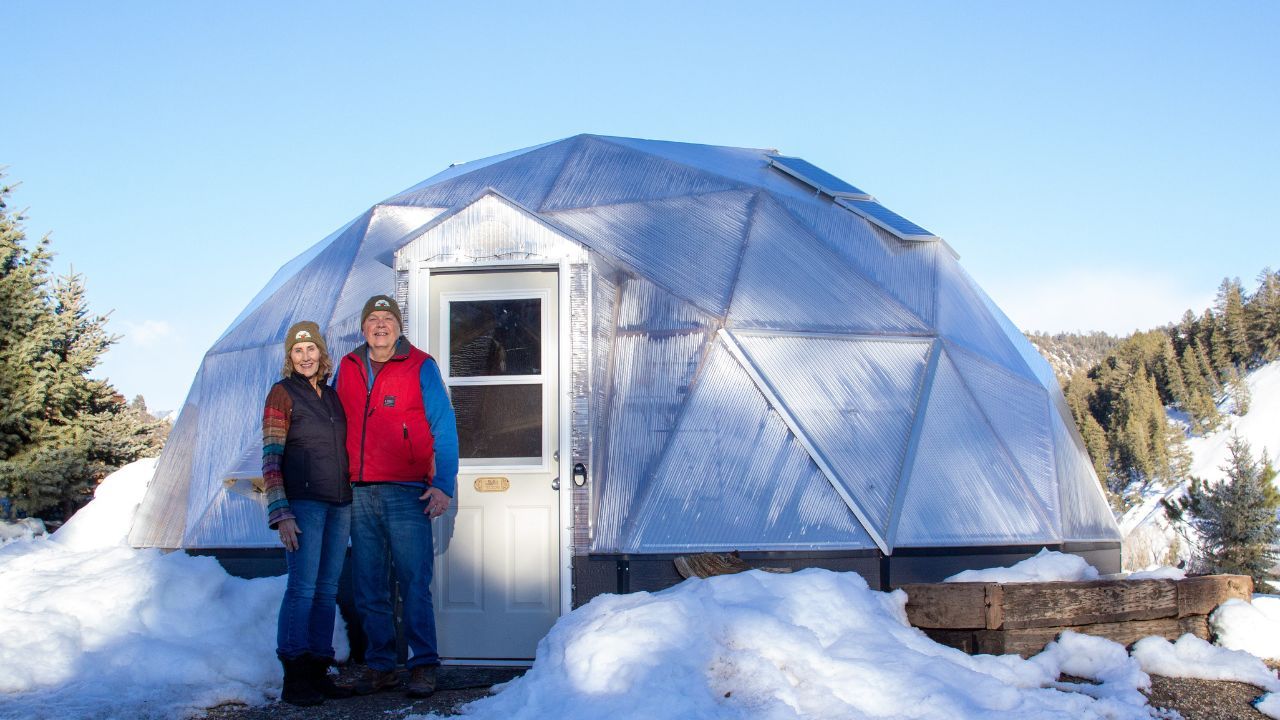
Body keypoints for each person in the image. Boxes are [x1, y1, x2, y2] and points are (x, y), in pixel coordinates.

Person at [334, 295, 459, 698]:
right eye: (373, 319)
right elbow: (332, 426)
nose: (380, 325)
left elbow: (444, 426)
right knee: (369, 586)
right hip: (358, 492)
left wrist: (443, 484)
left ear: (399, 326)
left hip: (407, 492)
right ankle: (381, 667)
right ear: (363, 328)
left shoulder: (420, 365)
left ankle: (423, 665)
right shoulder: (348, 367)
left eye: (387, 318)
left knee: (413, 582)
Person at [262, 320, 354, 706]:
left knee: (327, 589)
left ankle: (319, 670)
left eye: (310, 349)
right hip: (303, 504)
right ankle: (295, 677)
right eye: (297, 351)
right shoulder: (282, 394)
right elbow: (271, 457)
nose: (305, 357)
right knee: (302, 588)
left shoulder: (331, 397)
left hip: (339, 503)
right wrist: (281, 512)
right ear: (290, 357)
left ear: (321, 353)